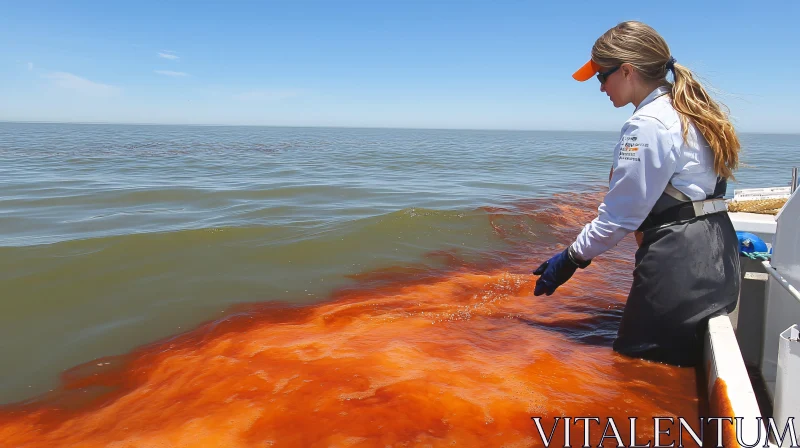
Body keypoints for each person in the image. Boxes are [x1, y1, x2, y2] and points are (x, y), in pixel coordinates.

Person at [532, 21, 741, 367]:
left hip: (681, 265)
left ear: (627, 71)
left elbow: (620, 216)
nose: (600, 88)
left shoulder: (646, 124)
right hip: (718, 257)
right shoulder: (688, 111)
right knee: (671, 378)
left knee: (634, 371)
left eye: (602, 77)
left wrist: (571, 258)